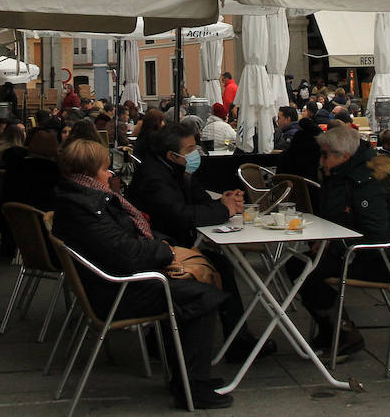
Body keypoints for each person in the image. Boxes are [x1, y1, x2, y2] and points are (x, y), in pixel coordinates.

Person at [51, 139, 231, 409]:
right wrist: (165, 251)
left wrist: (163, 246)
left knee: (198, 283)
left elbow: (123, 241)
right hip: (115, 291)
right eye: (104, 168)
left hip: (114, 281)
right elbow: (122, 250)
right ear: (88, 172)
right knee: (201, 297)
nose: (109, 174)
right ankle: (193, 387)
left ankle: (186, 377)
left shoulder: (80, 197)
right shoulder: (86, 206)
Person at [125, 123, 267, 361]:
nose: (195, 154)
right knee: (218, 267)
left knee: (221, 265)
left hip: (169, 245)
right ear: (171, 155)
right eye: (190, 149)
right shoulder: (155, 178)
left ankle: (236, 339)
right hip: (161, 251)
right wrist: (223, 210)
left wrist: (224, 202)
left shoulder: (174, 170)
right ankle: (237, 342)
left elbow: (198, 205)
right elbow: (181, 216)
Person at [297, 124, 390, 358]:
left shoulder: (367, 181)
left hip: (377, 259)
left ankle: (344, 332)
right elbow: (336, 217)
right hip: (351, 251)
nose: (321, 161)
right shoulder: (340, 175)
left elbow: (376, 234)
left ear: (344, 156)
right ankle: (331, 328)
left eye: (325, 155)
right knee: (298, 264)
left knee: (306, 271)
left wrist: (333, 245)